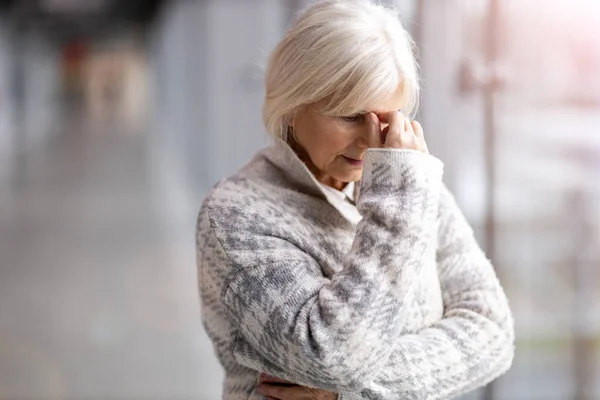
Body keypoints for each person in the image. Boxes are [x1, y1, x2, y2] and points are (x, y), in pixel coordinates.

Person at [196, 1, 515, 399]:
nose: (369, 141)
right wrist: (398, 205)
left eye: (387, 118)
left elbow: (493, 331)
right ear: (292, 105)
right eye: (348, 116)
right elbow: (331, 356)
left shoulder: (410, 182)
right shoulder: (235, 217)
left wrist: (343, 392)